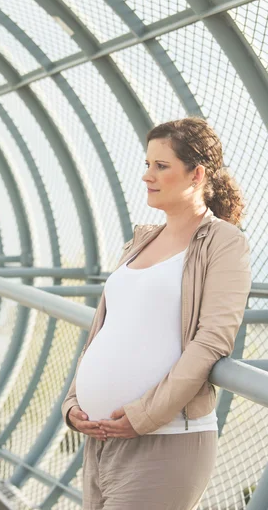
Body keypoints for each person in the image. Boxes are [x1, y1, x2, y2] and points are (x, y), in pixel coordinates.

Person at [60, 117, 252, 510]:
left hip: (167, 441)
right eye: (148, 164)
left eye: (161, 166)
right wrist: (73, 403)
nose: (148, 175)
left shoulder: (223, 242)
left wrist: (144, 416)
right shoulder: (141, 241)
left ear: (196, 174)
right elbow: (106, 331)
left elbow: (213, 339)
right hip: (101, 440)